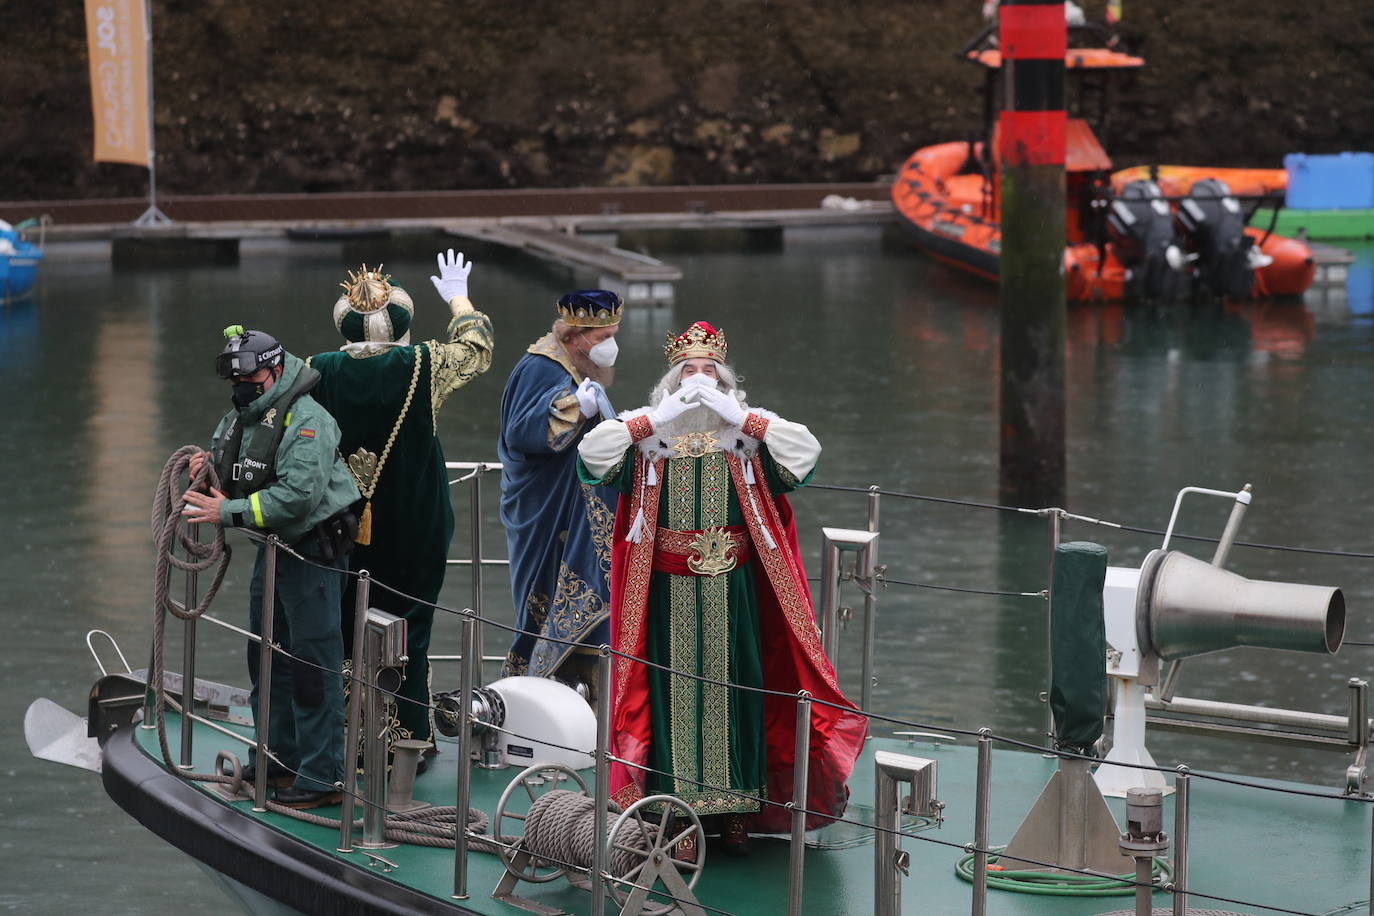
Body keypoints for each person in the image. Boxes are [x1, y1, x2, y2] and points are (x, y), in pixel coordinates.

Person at [576, 321, 866, 857]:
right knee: (670, 701)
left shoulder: (748, 440)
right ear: (671, 382)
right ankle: (675, 818)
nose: (701, 381)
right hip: (666, 596)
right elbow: (591, 460)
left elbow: (806, 454)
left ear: (726, 381)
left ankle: (736, 813)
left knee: (739, 699)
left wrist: (745, 418)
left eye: (710, 371)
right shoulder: (649, 443)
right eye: (690, 371)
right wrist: (652, 419)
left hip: (735, 595)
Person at [307, 251, 494, 767]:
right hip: (415, 516)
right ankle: (404, 735)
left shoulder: (314, 370)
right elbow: (477, 348)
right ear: (404, 324)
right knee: (410, 618)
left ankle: (348, 733)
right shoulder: (424, 362)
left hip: (339, 520)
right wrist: (458, 296)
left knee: (346, 615)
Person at [184, 326, 361, 809]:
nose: (241, 388)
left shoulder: (308, 422)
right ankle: (277, 758)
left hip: (312, 557)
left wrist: (228, 513)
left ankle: (322, 776)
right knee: (267, 657)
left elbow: (296, 499)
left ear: (276, 370)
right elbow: (244, 473)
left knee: (311, 666)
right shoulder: (245, 417)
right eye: (235, 380)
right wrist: (209, 468)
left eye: (251, 377)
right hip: (274, 551)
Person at [497, 290, 622, 697]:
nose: (610, 346)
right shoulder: (542, 367)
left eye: (613, 335)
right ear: (574, 337)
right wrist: (575, 408)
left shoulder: (577, 363)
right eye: (603, 337)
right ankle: (537, 691)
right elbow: (521, 432)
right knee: (541, 599)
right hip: (545, 508)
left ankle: (584, 696)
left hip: (576, 509)